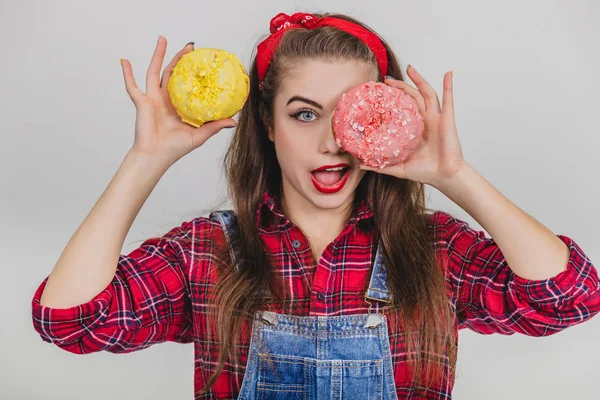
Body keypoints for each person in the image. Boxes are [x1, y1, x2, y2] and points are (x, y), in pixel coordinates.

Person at [31, 11, 600, 400]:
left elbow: (571, 297)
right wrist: (146, 159)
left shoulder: (436, 250)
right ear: (268, 126)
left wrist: (455, 175)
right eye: (304, 113)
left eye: (353, 111)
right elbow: (70, 321)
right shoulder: (207, 254)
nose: (332, 141)